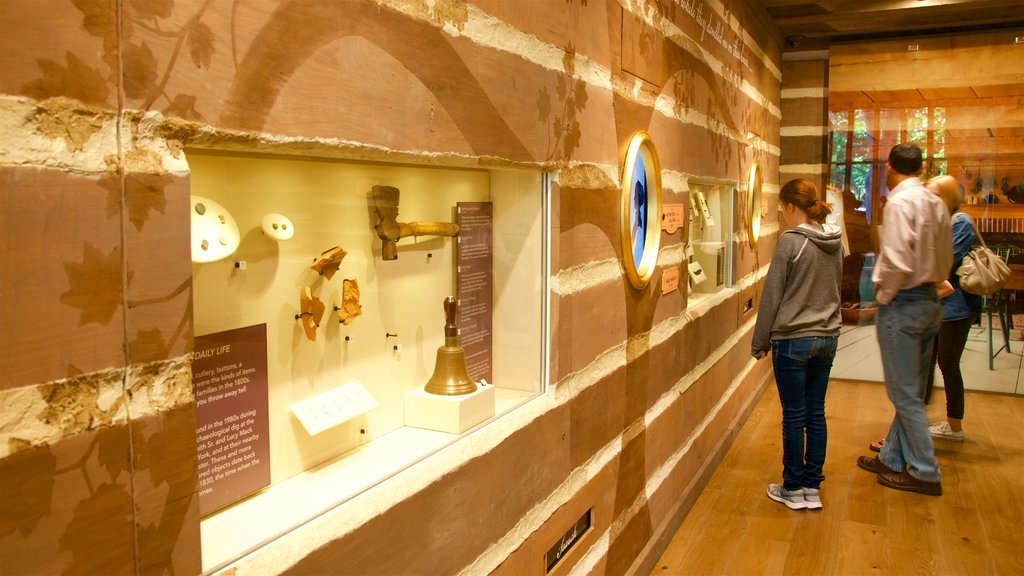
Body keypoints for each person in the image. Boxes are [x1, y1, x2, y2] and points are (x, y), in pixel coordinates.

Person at [856, 143, 952, 496]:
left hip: (904, 302)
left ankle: (926, 471)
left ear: (888, 166)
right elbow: (944, 257)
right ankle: (893, 458)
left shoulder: (898, 202)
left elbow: (895, 260)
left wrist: (883, 298)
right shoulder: (935, 202)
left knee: (904, 393)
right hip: (929, 300)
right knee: (909, 390)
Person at [752, 179, 843, 510]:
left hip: (793, 339)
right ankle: (811, 487)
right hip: (827, 337)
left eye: (782, 208)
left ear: (791, 206)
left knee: (793, 415)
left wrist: (760, 341)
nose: (782, 214)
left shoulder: (791, 242)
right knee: (815, 412)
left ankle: (792, 487)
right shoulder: (835, 239)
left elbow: (773, 294)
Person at [926, 174, 981, 441]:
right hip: (941, 304)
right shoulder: (943, 221)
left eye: (934, 194)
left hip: (956, 308)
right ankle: (915, 422)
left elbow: (944, 264)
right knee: (928, 363)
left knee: (947, 363)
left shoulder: (961, 222)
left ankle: (954, 425)